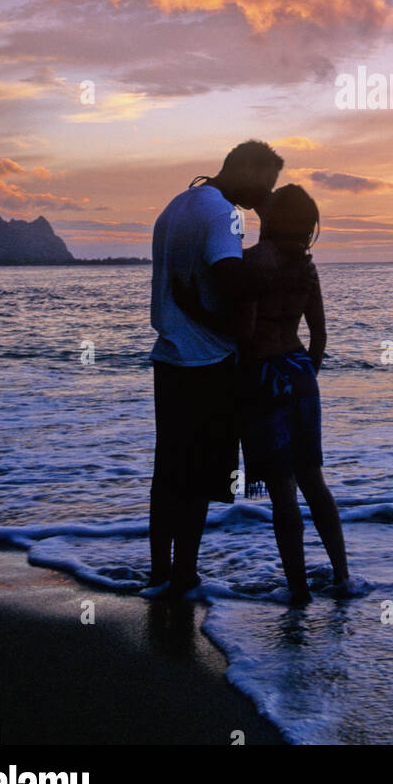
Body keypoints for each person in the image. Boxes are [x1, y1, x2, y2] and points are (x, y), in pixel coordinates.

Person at [148, 139, 283, 599]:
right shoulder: (225, 214)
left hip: (169, 357)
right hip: (208, 362)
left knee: (167, 472)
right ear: (243, 167)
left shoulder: (177, 205)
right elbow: (231, 281)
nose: (267, 195)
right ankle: (184, 574)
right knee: (201, 476)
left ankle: (159, 571)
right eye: (265, 182)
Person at [239, 184, 350, 605]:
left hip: (263, 377)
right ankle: (342, 577)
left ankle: (298, 590)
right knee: (314, 481)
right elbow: (318, 335)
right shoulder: (308, 269)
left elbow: (246, 334)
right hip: (302, 376)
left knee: (283, 491)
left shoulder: (252, 263)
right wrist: (306, 375)